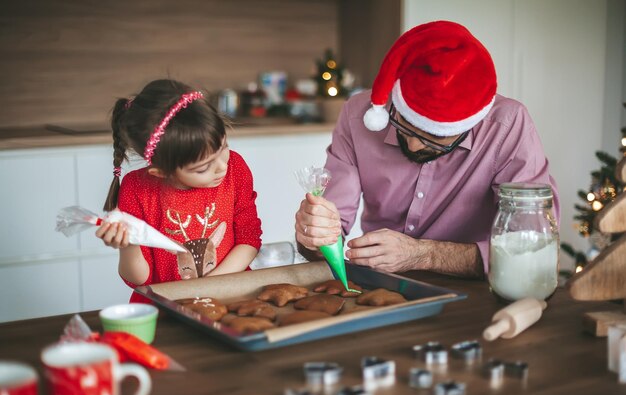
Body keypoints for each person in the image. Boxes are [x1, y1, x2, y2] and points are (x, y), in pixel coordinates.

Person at [295, 21, 559, 278]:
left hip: (477, 290)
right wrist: (315, 236)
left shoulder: (507, 126)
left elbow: (532, 248)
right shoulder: (358, 115)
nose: (412, 145)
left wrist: (424, 254)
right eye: (404, 125)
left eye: (434, 138)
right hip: (384, 284)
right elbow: (329, 235)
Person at [97, 79, 262, 302]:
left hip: (229, 294)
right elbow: (140, 279)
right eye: (203, 167)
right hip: (168, 305)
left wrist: (208, 287)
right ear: (161, 172)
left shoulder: (235, 167)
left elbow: (249, 240)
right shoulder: (136, 189)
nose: (222, 167)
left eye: (224, 148)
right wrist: (128, 244)